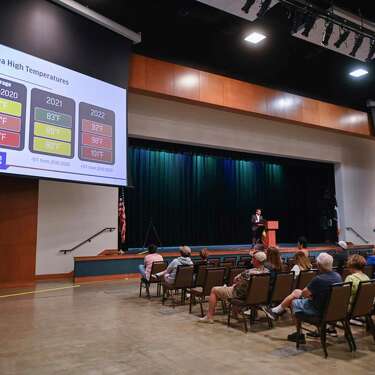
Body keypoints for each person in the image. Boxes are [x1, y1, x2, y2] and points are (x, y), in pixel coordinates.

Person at [264, 252, 342, 343]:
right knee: (296, 292)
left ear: (319, 264)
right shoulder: (338, 276)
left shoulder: (319, 279)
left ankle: (299, 333)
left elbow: (304, 294)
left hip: (319, 310)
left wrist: (306, 295)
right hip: (332, 309)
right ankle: (276, 310)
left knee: (294, 301)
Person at [198, 251, 269, 324]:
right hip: (257, 296)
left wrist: (234, 285)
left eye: (253, 258)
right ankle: (236, 313)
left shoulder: (248, 273)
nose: (252, 259)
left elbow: (235, 279)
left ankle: (209, 316)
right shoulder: (267, 272)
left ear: (257, 260)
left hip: (241, 295)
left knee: (214, 290)